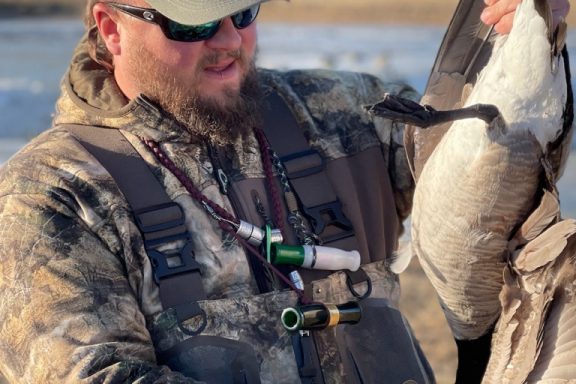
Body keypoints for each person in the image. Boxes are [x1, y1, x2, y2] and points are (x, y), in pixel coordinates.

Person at [0, 0, 569, 383]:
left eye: (242, 13)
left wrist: (525, 43)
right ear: (110, 26)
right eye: (192, 25)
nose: (228, 42)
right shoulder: (51, 195)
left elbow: (484, 177)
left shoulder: (334, 112)